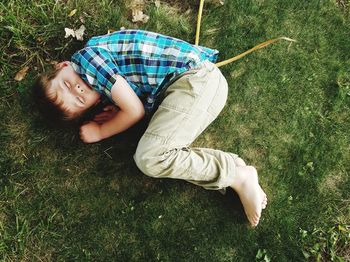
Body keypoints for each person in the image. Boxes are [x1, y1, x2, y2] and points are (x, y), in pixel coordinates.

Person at [33, 29, 267, 226]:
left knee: (149, 157)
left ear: (62, 65)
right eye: (79, 100)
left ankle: (237, 175)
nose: (78, 89)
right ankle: (231, 165)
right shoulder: (96, 69)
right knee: (156, 154)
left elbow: (135, 111)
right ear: (91, 106)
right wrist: (119, 107)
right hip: (193, 85)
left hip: (197, 81)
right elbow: (130, 93)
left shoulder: (87, 61)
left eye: (66, 83)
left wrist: (101, 131)